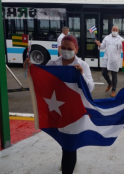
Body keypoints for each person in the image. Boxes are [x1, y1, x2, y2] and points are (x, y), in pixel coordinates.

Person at [24, 35, 94, 174]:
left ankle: (67, 166)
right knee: (64, 141)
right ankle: (67, 159)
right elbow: (43, 82)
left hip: (74, 112)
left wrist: (81, 75)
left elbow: (90, 87)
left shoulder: (83, 65)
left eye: (70, 48)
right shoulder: (53, 63)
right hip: (58, 109)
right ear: (60, 48)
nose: (66, 51)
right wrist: (31, 68)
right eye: (64, 48)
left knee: (70, 145)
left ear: (76, 49)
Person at [95, 26, 124, 97]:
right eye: (113, 29)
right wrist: (99, 44)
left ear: (118, 31)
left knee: (114, 75)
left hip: (115, 60)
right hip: (106, 58)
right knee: (104, 73)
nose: (114, 31)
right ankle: (110, 83)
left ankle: (113, 90)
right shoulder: (107, 37)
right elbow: (102, 46)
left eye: (116, 30)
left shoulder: (121, 39)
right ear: (111, 30)